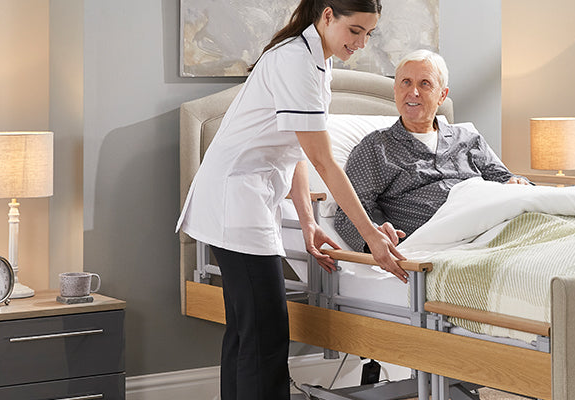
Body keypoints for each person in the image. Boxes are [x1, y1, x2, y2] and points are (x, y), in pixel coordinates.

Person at [174, 1, 407, 399]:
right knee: (264, 338)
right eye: (355, 31)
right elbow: (323, 160)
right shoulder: (296, 61)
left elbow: (295, 148)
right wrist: (370, 235)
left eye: (369, 34)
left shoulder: (318, 59)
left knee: (247, 335)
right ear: (328, 15)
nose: (362, 43)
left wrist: (308, 221)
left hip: (245, 197)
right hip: (236, 201)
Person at [333, 50, 529, 254]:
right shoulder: (376, 148)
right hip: (449, 244)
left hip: (498, 225)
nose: (413, 92)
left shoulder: (469, 140)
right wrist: (375, 237)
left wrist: (517, 182)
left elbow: (507, 180)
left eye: (424, 84)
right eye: (406, 82)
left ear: (442, 95)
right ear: (395, 90)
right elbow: (348, 213)